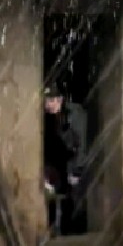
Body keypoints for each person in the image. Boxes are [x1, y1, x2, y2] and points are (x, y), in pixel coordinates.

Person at [43, 89, 76, 233]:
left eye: (57, 100)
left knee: (57, 200)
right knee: (55, 199)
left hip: (56, 166)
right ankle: (57, 228)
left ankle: (57, 228)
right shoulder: (49, 121)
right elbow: (54, 144)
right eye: (52, 100)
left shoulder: (58, 120)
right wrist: (68, 153)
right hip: (53, 166)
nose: (56, 103)